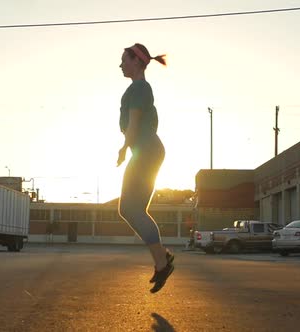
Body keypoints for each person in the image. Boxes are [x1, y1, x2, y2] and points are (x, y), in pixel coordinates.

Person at [117, 43, 174, 293]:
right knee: (132, 209)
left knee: (129, 208)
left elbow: (134, 122)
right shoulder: (137, 88)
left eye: (124, 60)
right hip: (147, 151)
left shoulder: (140, 88)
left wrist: (123, 147)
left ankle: (162, 263)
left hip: (146, 152)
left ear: (137, 62)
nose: (121, 65)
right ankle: (162, 259)